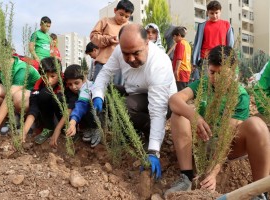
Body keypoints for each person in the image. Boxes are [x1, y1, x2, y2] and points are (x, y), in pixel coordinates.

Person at [165, 45, 270, 200]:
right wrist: (195, 116)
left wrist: (213, 173)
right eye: (212, 72)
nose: (215, 78)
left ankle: (259, 193)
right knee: (178, 115)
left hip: (227, 148)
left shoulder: (239, 95)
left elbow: (226, 139)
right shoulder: (204, 83)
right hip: (201, 142)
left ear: (233, 72)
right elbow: (174, 100)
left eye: (222, 74)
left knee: (257, 125)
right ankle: (186, 177)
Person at [91, 24, 177, 179]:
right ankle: (129, 132)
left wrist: (153, 151)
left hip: (164, 102)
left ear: (147, 43)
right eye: (126, 54)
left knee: (126, 106)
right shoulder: (120, 50)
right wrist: (98, 95)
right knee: (108, 93)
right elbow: (104, 74)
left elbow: (158, 111)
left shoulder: (159, 64)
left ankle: (149, 133)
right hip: (136, 92)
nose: (130, 59)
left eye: (136, 53)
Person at [50, 64, 100, 148]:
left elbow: (80, 106)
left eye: (76, 83)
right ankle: (86, 127)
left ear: (84, 79)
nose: (73, 87)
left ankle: (96, 128)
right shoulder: (73, 91)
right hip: (84, 113)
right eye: (70, 84)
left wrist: (72, 123)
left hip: (98, 113)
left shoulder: (88, 87)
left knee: (87, 106)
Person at [90, 0, 134, 84]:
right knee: (98, 90)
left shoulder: (129, 27)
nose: (123, 18)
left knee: (117, 93)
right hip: (103, 63)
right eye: (121, 14)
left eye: (126, 16)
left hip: (121, 65)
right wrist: (108, 40)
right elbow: (93, 36)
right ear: (115, 10)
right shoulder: (105, 21)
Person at [22, 57, 63, 144]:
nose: (49, 81)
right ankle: (48, 128)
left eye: (53, 76)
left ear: (59, 74)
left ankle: (65, 128)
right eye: (45, 77)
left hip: (64, 115)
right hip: (48, 115)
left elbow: (72, 104)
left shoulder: (68, 82)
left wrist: (59, 128)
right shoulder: (38, 85)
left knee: (59, 98)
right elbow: (34, 108)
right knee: (43, 94)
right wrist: (24, 131)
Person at [192, 1, 234, 71]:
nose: (214, 16)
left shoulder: (227, 25)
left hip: (221, 59)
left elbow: (230, 44)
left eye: (216, 13)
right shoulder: (202, 26)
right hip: (205, 59)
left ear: (220, 12)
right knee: (205, 80)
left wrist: (229, 59)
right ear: (207, 12)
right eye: (212, 13)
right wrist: (194, 61)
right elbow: (197, 43)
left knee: (220, 81)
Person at [171, 26, 191, 91]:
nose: (173, 39)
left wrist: (176, 71)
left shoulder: (180, 43)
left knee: (180, 92)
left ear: (179, 35)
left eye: (174, 36)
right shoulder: (187, 44)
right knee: (184, 91)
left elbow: (179, 58)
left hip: (180, 71)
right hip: (186, 70)